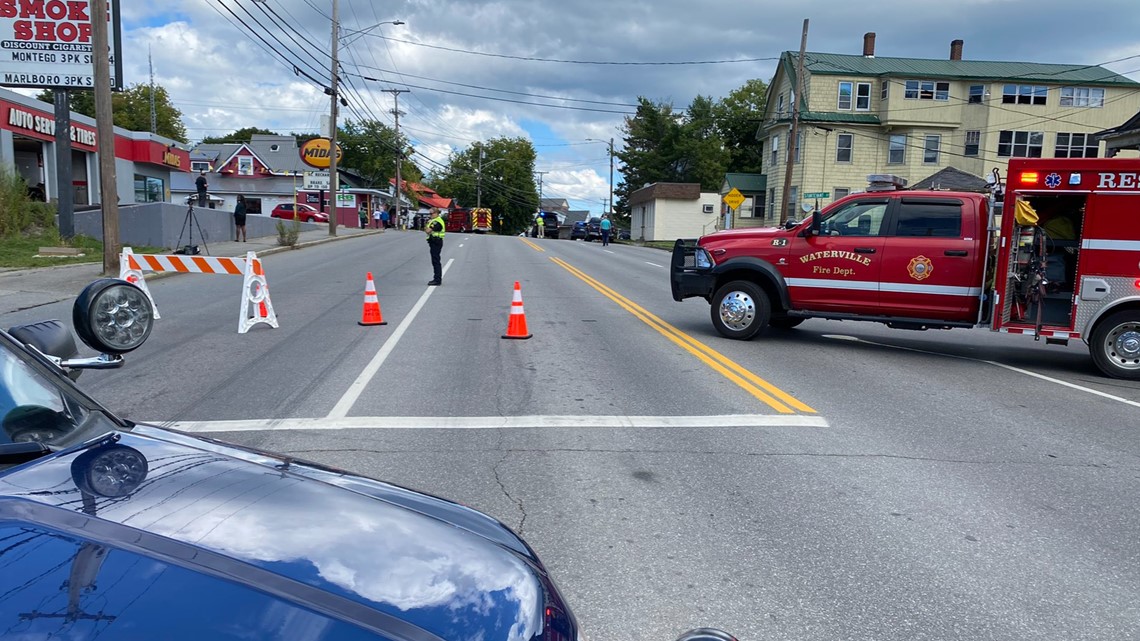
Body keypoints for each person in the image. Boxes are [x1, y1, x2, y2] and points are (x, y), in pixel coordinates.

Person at [425, 207, 446, 286]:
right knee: (435, 260)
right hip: (434, 242)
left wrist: (427, 227)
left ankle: (437, 279)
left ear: (436, 213)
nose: (430, 215)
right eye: (429, 213)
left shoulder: (437, 222)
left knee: (436, 261)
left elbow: (427, 231)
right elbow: (427, 230)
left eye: (431, 213)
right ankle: (436, 278)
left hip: (436, 242)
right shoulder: (434, 221)